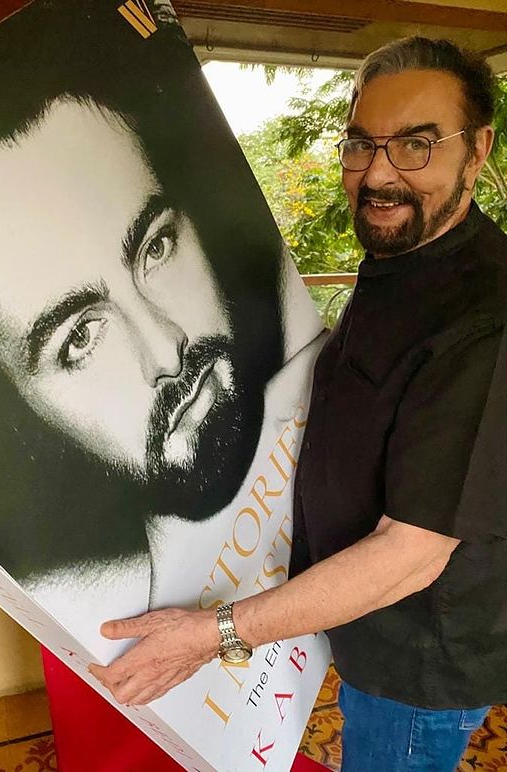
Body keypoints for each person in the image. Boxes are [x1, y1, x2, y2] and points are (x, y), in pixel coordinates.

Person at [91, 36, 507, 771]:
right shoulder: (401, 260)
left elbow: (409, 556)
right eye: (361, 144)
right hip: (356, 628)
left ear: (477, 150)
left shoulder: (486, 320)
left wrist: (214, 634)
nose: (378, 174)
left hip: (415, 661)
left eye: (416, 145)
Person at [0, 0, 320, 645]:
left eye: (155, 248)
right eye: (79, 336)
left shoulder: (323, 382)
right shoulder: (82, 607)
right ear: (5, 403)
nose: (167, 350)